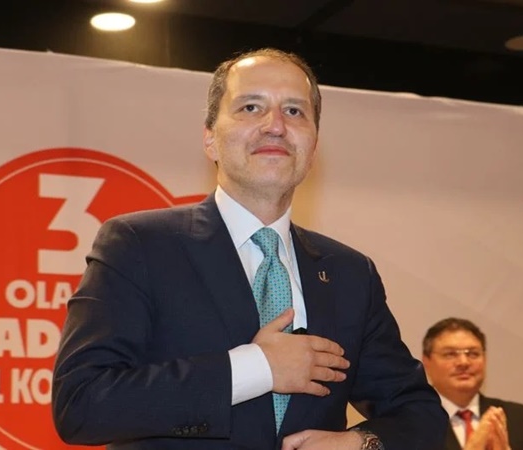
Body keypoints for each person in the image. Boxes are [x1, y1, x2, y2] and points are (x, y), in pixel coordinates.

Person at [51, 48, 449, 450]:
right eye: (251, 107)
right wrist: (257, 368)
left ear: (313, 147)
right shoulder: (139, 245)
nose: (275, 125)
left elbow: (421, 415)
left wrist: (360, 444)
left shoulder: (350, 273)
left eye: (294, 111)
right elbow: (81, 403)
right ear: (210, 138)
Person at [421, 318, 523, 450]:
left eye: (473, 354)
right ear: (426, 362)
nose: (463, 362)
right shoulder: (411, 421)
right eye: (450, 354)